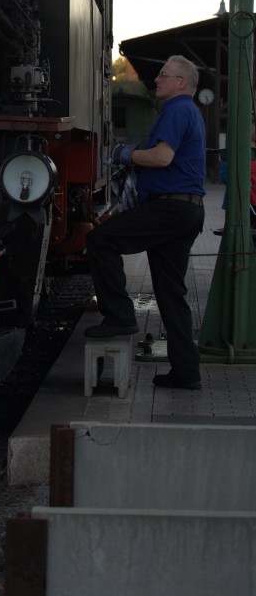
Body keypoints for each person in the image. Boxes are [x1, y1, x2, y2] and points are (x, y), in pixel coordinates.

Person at [85, 55, 205, 391]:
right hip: (187, 211)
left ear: (182, 82)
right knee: (171, 294)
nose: (157, 80)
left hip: (169, 209)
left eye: (164, 75)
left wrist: (125, 154)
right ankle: (186, 371)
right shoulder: (189, 113)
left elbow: (162, 157)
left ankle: (120, 317)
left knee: (101, 241)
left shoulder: (177, 110)